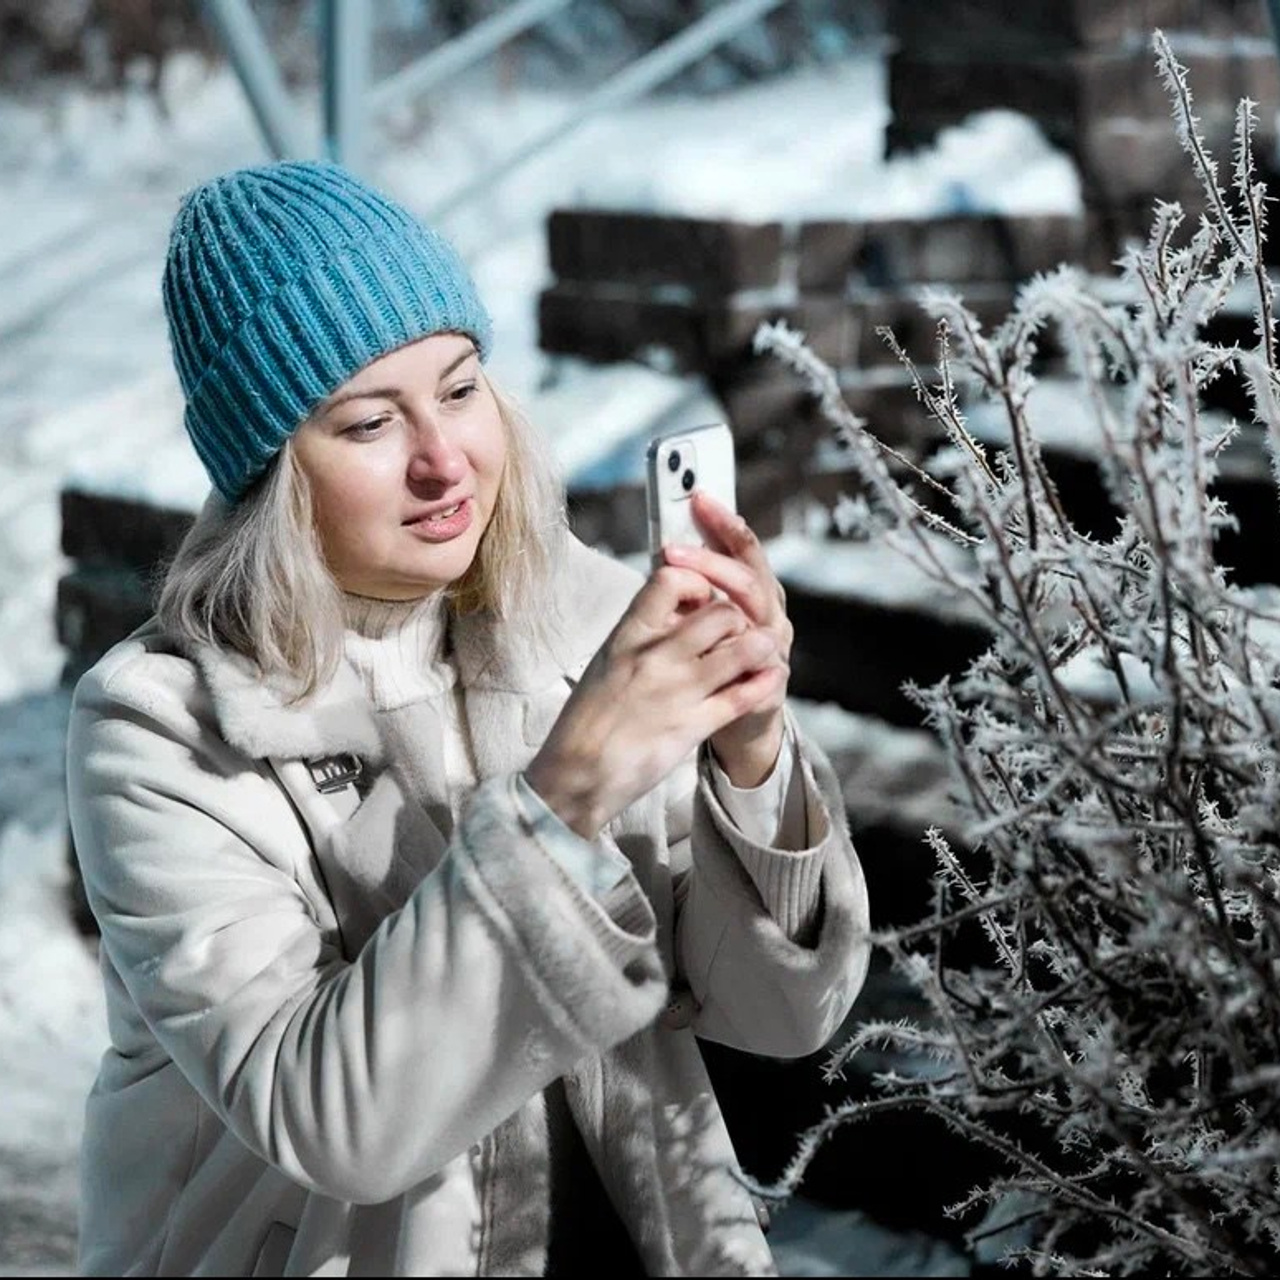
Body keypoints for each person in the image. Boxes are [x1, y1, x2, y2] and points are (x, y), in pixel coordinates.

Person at [66, 159, 871, 1278]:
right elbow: (339, 1120)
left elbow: (786, 1016)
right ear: (268, 472)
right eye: (368, 423)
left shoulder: (580, 617)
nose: (444, 459)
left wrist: (751, 754)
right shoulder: (161, 728)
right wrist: (568, 791)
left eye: (457, 387)